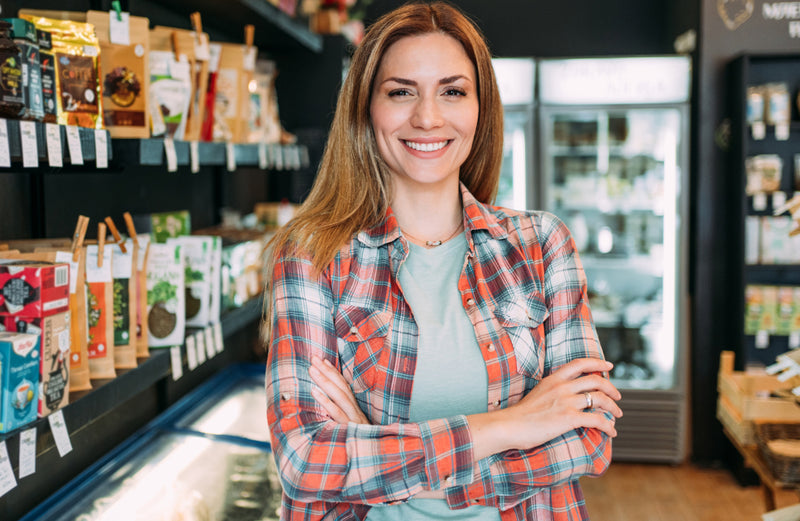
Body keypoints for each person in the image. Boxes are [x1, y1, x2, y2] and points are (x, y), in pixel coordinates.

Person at [264, 2, 623, 520]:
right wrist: (511, 425)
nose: (427, 117)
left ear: (481, 108)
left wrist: (371, 448)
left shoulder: (542, 245)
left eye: (452, 91)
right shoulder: (314, 256)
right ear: (367, 107)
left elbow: (588, 439)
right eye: (401, 92)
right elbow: (304, 460)